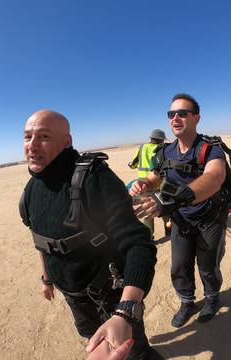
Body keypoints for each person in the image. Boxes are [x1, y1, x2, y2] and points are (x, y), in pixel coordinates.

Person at [20, 109, 161, 359]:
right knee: (92, 340)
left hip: (110, 296)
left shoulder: (93, 178)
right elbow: (41, 241)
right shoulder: (31, 190)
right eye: (27, 136)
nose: (32, 145)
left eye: (43, 136)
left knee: (137, 352)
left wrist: (125, 311)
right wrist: (47, 280)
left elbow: (139, 244)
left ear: (67, 142)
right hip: (73, 298)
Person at [129, 93, 231, 328]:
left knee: (208, 267)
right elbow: (155, 176)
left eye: (182, 113)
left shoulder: (210, 148)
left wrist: (172, 200)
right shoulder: (165, 152)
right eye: (171, 114)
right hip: (181, 220)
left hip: (210, 219)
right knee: (179, 266)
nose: (175, 118)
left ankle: (211, 299)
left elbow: (214, 177)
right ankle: (187, 302)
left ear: (196, 118)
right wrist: (145, 184)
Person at [128, 129, 171, 237]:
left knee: (148, 209)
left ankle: (149, 235)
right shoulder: (162, 148)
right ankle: (169, 230)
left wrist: (131, 165)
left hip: (143, 185)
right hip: (160, 183)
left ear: (151, 138)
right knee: (163, 205)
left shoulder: (142, 148)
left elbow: (133, 164)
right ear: (161, 140)